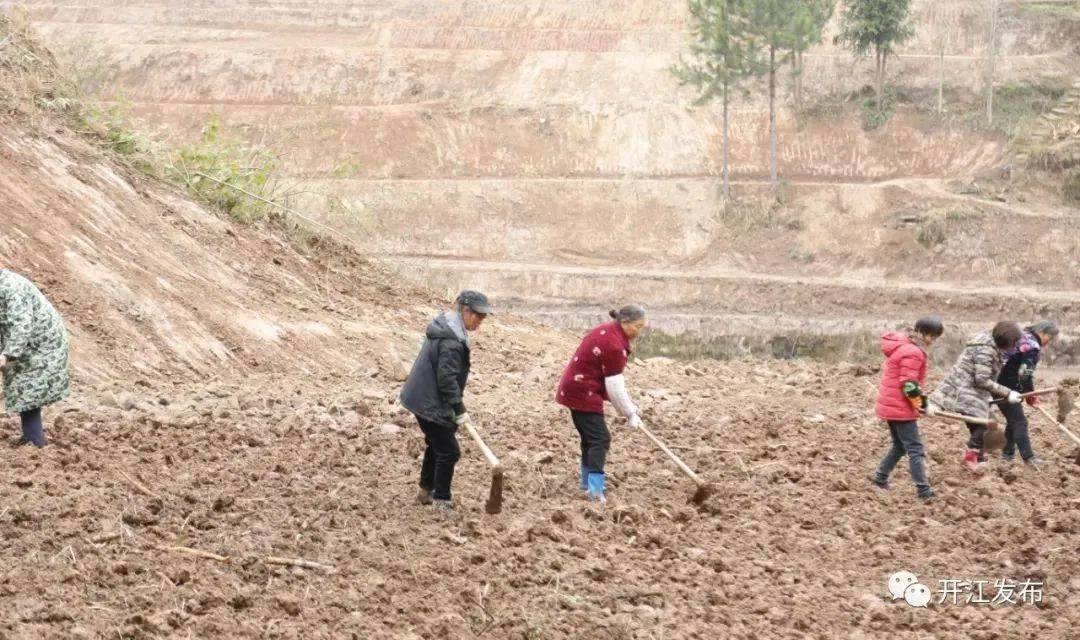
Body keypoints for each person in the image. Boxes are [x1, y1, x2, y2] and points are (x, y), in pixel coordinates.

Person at [399, 291, 492, 517]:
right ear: (465, 311)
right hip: (427, 400)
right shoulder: (452, 341)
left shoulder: (449, 329)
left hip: (423, 396)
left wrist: (453, 409)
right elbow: (447, 379)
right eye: (478, 316)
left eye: (483, 318)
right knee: (449, 451)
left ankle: (425, 491)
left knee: (437, 444)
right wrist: (459, 408)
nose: (480, 321)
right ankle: (441, 499)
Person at [555, 304, 647, 503]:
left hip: (576, 387)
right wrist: (630, 412)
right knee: (600, 439)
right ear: (624, 322)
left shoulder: (609, 331)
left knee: (590, 439)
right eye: (637, 326)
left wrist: (629, 411)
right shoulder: (614, 345)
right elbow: (614, 386)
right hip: (582, 390)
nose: (638, 332)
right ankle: (595, 491)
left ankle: (588, 483)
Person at [929, 321, 1023, 472]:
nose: (1015, 346)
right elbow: (982, 379)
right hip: (965, 390)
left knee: (985, 425)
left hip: (971, 389)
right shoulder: (986, 350)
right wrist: (1007, 392)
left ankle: (978, 456)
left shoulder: (990, 344)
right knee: (985, 424)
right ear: (1006, 340)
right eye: (1014, 343)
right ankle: (970, 457)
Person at [872, 317, 945, 502]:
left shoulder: (905, 346)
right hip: (900, 408)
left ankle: (880, 478)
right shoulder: (913, 352)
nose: (933, 341)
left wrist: (922, 404)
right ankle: (924, 491)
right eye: (933, 337)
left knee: (899, 446)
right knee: (915, 449)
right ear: (925, 333)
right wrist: (923, 405)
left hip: (893, 405)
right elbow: (909, 385)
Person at [0, 269, 71, 448]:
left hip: (42, 345)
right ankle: (30, 437)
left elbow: (22, 325)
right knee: (23, 389)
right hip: (26, 344)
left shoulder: (12, 288)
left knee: (28, 389)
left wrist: (6, 354)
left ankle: (34, 442)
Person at [998, 320, 1059, 466]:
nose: (1047, 343)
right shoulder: (1032, 347)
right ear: (1043, 333)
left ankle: (1007, 454)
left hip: (998, 380)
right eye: (1049, 339)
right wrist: (1031, 396)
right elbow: (1024, 374)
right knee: (1020, 421)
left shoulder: (1022, 336)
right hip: (1005, 386)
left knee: (1014, 419)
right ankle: (1029, 458)